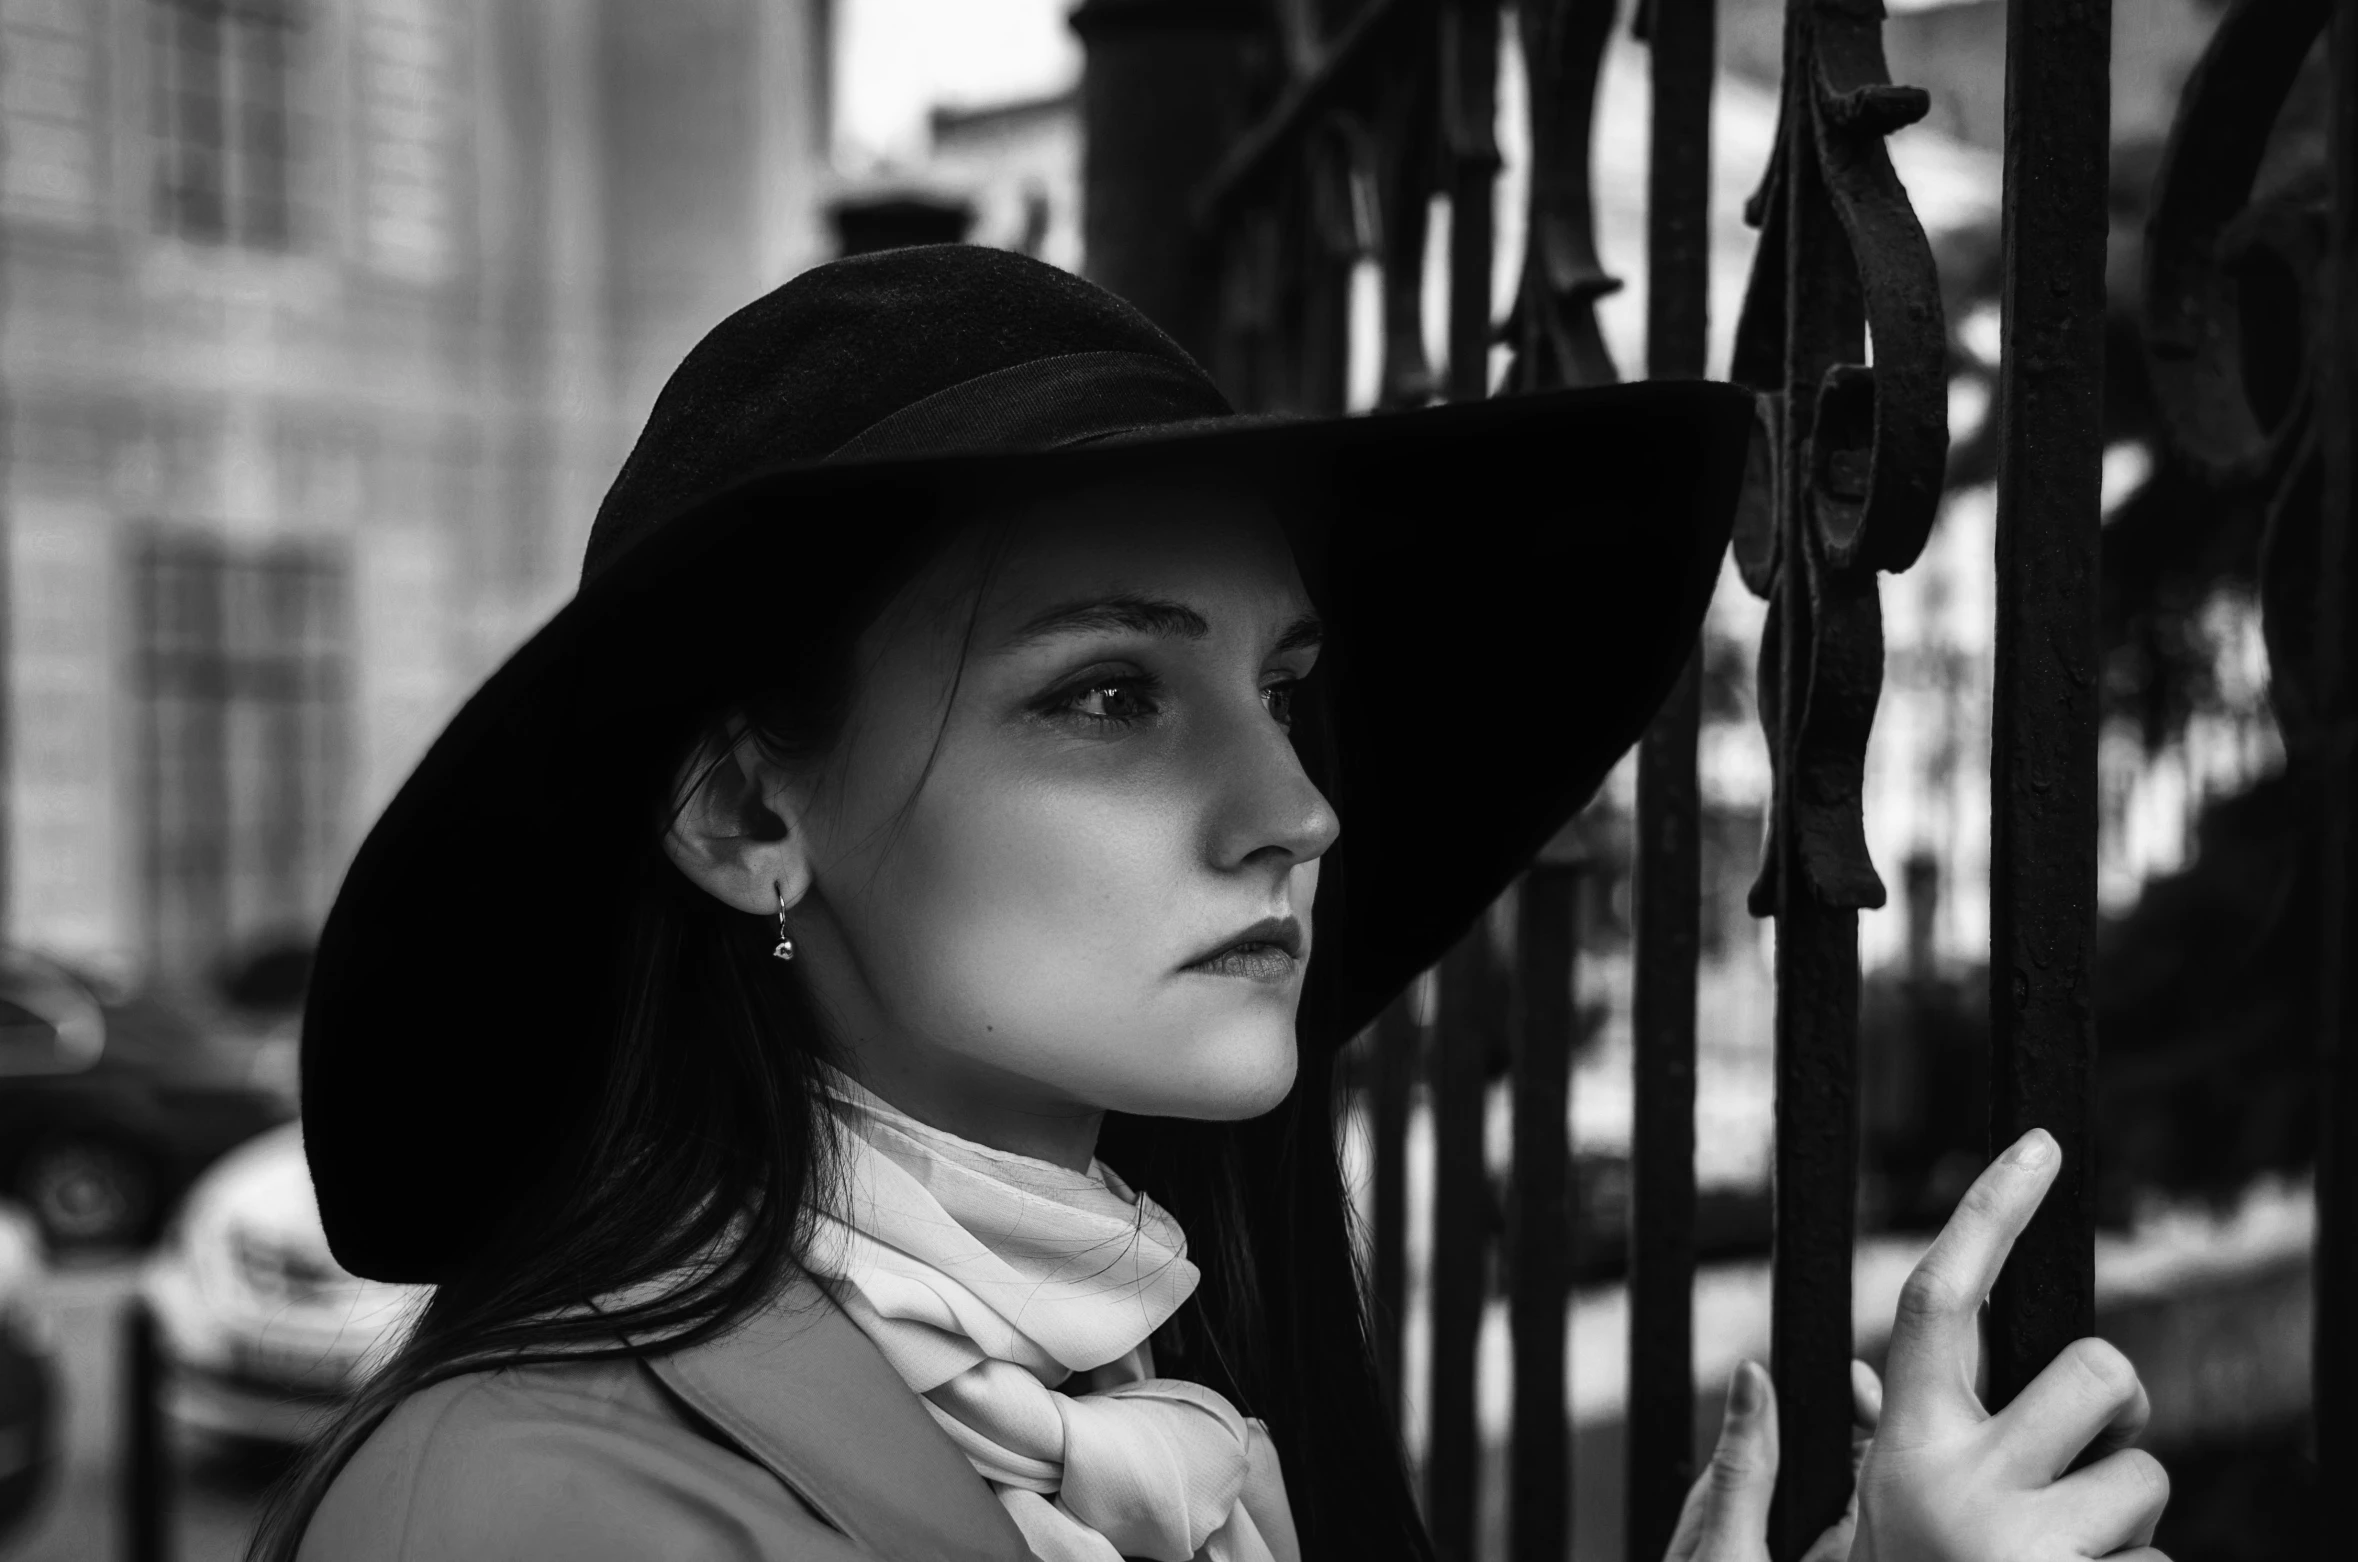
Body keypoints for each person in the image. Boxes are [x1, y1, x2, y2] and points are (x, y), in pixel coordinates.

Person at [255, 245, 2170, 1562]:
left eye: (1277, 690)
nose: (1302, 808)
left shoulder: (1166, 1392)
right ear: (754, 808)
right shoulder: (521, 1506)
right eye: (1107, 692)